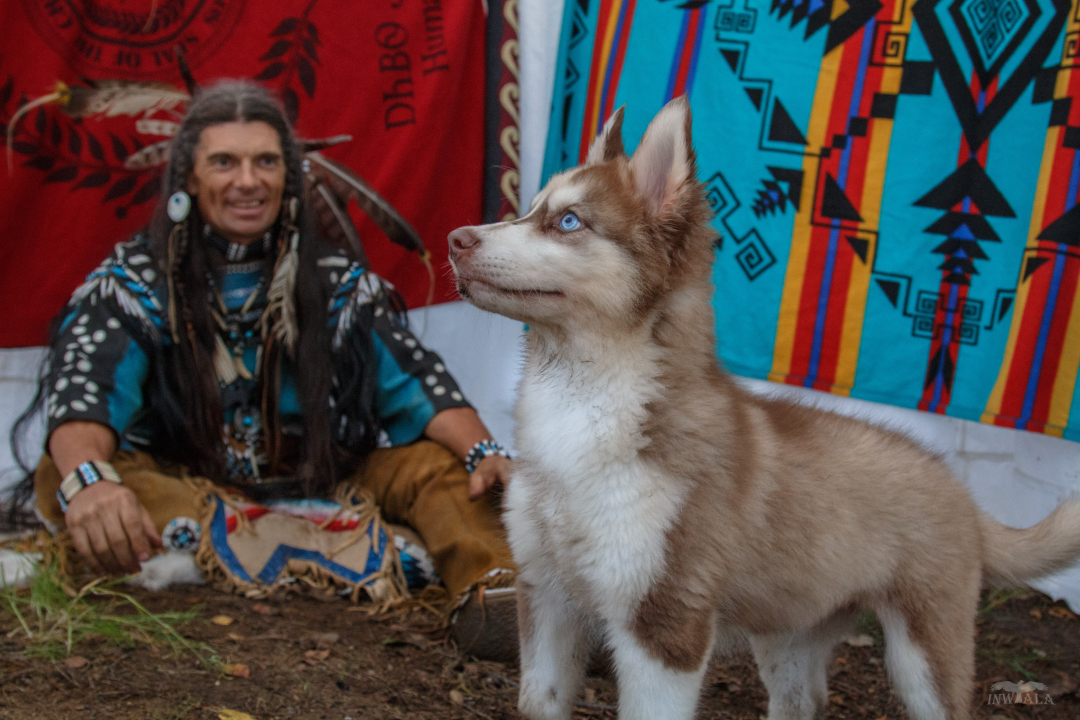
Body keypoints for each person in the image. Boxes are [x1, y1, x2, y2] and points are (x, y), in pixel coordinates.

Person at [15, 80, 515, 655]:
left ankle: (502, 601)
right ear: (188, 178)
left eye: (266, 162)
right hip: (187, 489)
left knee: (450, 470)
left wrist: (483, 453)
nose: (248, 180)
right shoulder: (131, 284)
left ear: (288, 177)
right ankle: (348, 549)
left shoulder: (337, 283)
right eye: (224, 162)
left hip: (328, 483)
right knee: (68, 474)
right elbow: (85, 398)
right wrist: (92, 482)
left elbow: (420, 385)